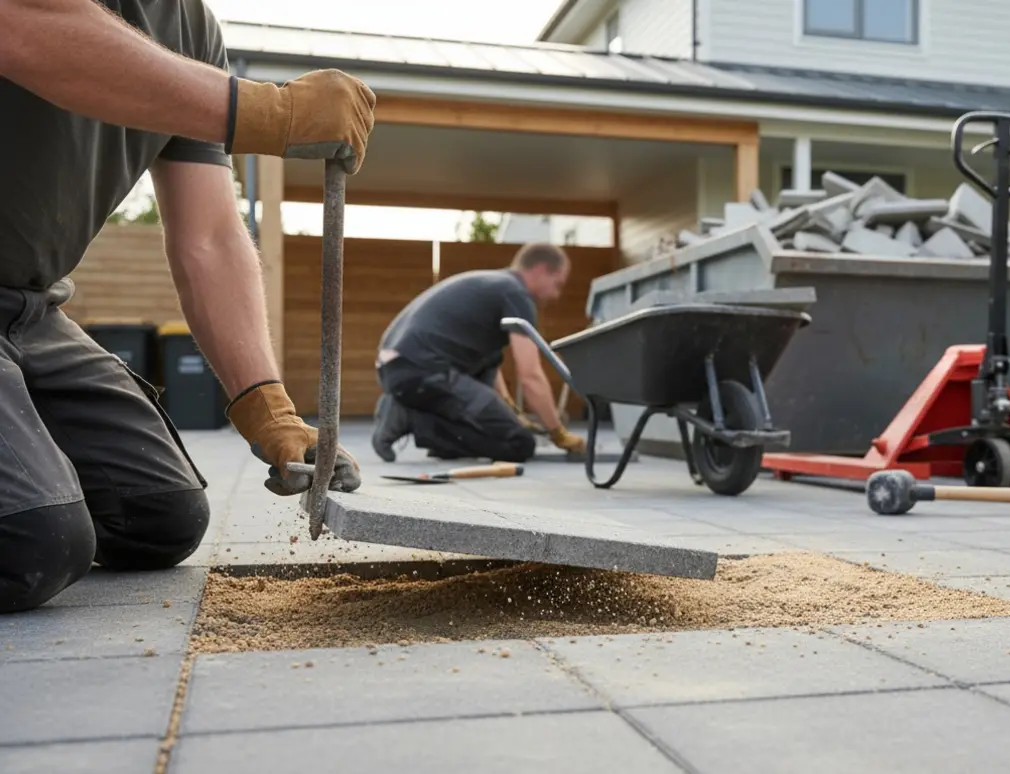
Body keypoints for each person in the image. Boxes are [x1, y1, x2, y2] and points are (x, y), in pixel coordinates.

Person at [0, 0, 376, 613]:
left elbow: (211, 239)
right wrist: (265, 111)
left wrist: (269, 411)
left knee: (156, 517)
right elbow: (20, 28)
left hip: (28, 309)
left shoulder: (188, 28)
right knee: (31, 544)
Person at [372, 243, 587, 463]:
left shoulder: (493, 286)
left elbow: (490, 370)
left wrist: (511, 412)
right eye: (557, 284)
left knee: (494, 417)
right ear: (540, 270)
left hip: (396, 367)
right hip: (423, 371)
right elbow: (530, 376)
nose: (556, 295)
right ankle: (411, 419)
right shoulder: (516, 295)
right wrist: (557, 433)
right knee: (519, 443)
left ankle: (441, 442)